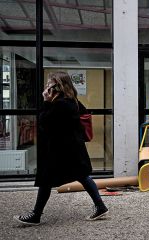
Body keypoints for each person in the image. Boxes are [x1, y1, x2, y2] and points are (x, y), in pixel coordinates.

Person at [14, 72, 108, 226]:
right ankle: (100, 206)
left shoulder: (60, 105)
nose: (46, 87)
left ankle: (36, 216)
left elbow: (43, 122)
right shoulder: (73, 101)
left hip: (61, 151)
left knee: (47, 179)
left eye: (49, 84)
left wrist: (46, 101)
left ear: (57, 86)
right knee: (81, 176)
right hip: (71, 149)